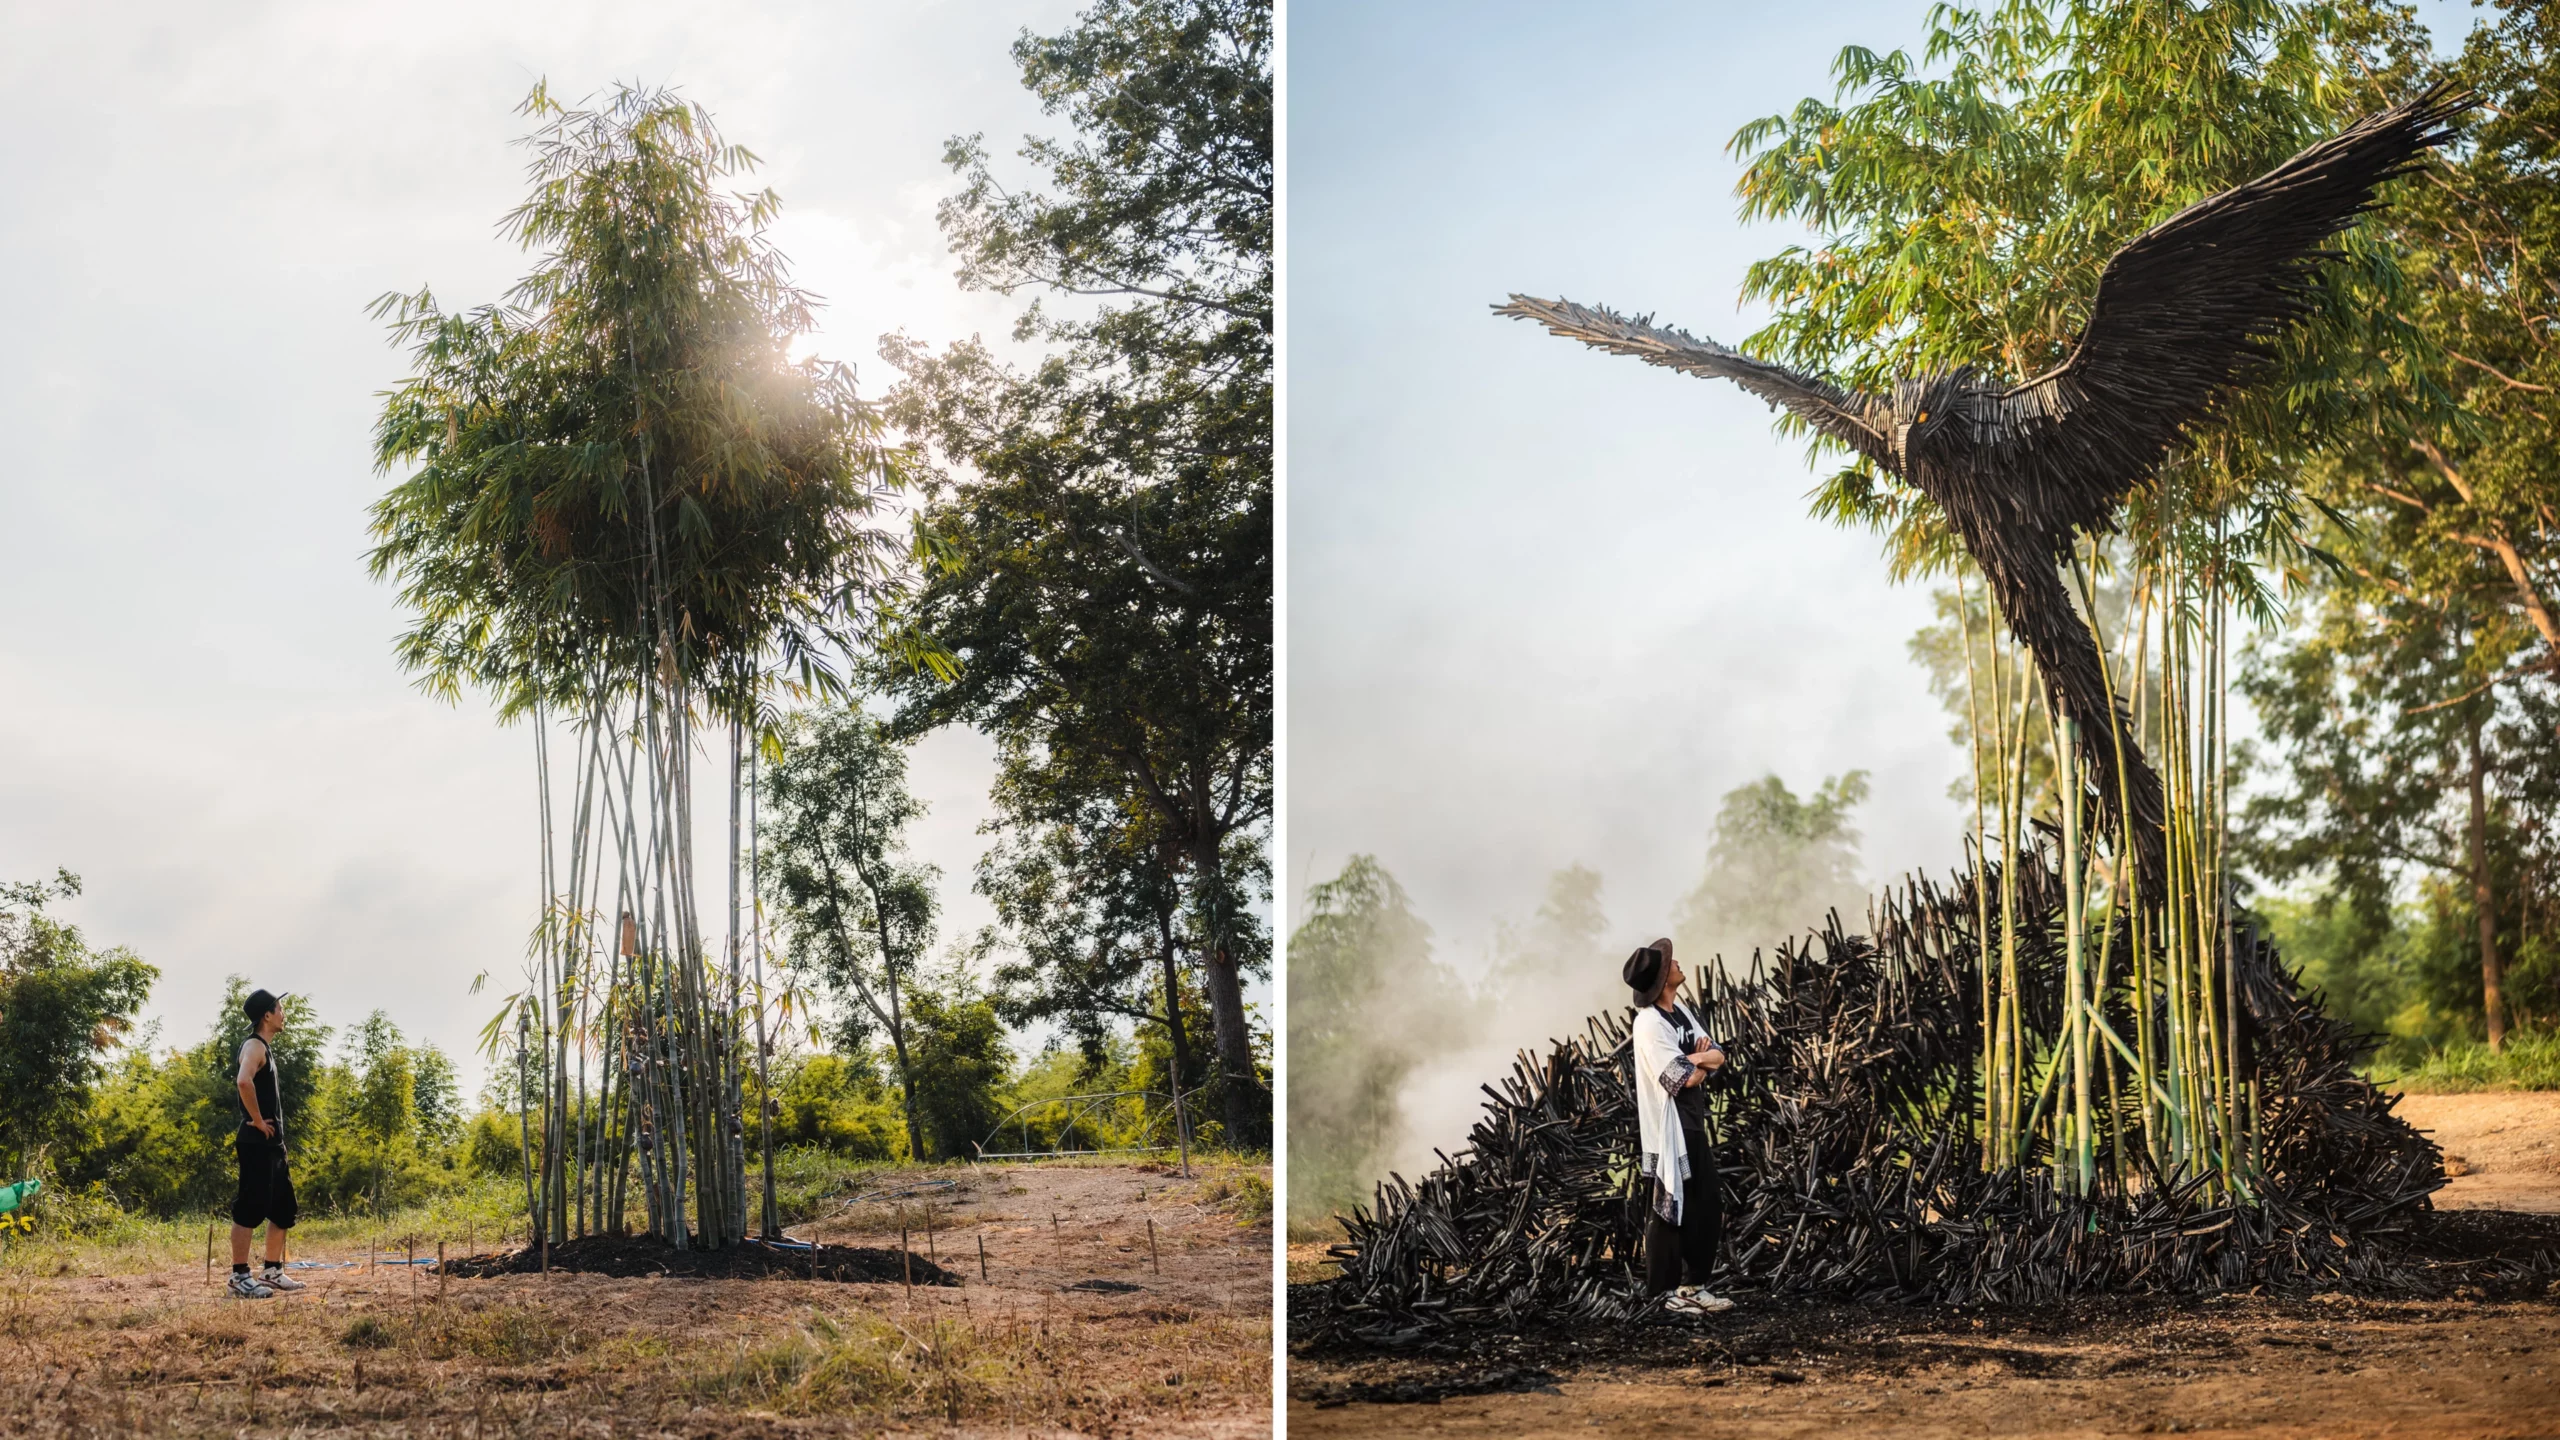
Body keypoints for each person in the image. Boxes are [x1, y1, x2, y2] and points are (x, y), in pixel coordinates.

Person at [1625, 937, 1733, 1317]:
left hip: (1691, 1124)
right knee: (1669, 1208)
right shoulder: (1650, 1024)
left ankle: (1693, 1286)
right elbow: (1678, 1078)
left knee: (1705, 1204)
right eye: (1671, 964)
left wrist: (1698, 1059)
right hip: (1669, 1127)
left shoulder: (1681, 1012)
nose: (1677, 964)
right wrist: (1700, 1064)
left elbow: (1719, 1055)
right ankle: (1662, 1293)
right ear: (1660, 979)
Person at [228, 988, 304, 1298]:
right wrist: (257, 1120)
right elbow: (243, 1081)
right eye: (280, 1009)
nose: (284, 1014)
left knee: (283, 1208)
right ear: (267, 1015)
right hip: (256, 1143)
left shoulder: (265, 1049)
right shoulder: (254, 1046)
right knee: (250, 1208)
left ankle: (272, 1270)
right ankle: (239, 1277)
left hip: (273, 1146)